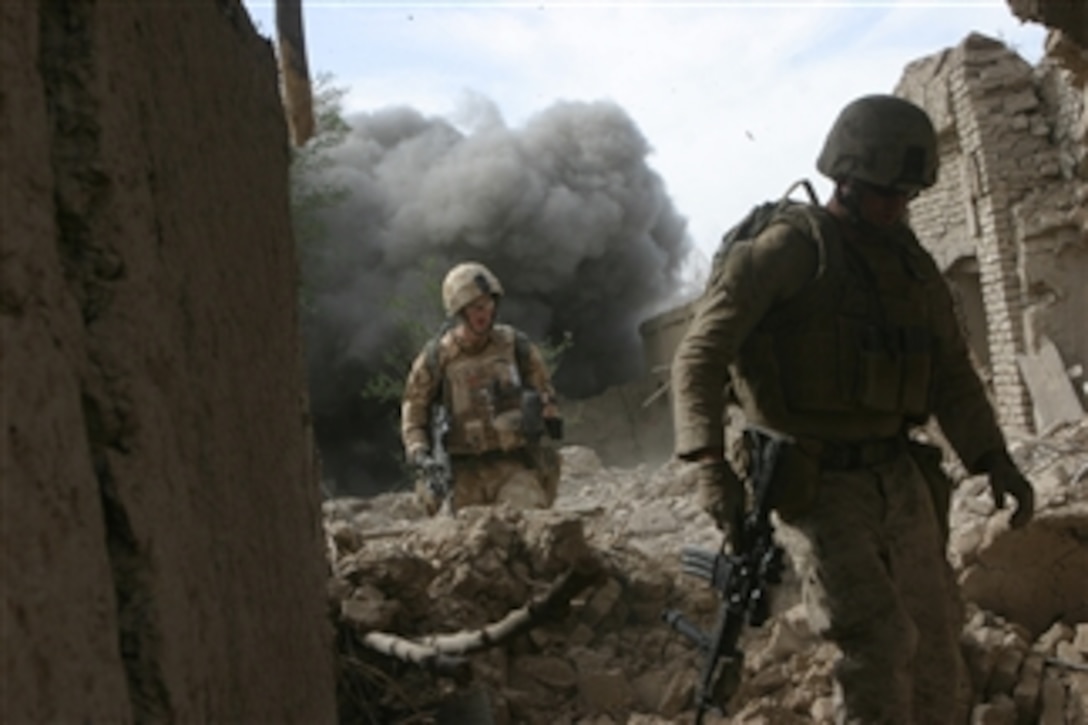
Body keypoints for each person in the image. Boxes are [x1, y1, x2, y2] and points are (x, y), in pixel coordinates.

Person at [671, 94, 1035, 724]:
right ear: (846, 177)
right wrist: (709, 467)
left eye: (907, 195)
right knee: (876, 643)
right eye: (883, 193)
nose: (897, 207)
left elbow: (951, 369)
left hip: (900, 474)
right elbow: (698, 357)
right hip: (817, 481)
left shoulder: (908, 261)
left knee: (935, 637)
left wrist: (993, 458)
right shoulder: (792, 248)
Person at [401, 261, 563, 514]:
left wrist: (547, 412)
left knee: (530, 523)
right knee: (465, 541)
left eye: (489, 305)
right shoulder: (437, 358)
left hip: (511, 465)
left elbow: (543, 388)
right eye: (477, 307)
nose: (484, 313)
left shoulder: (514, 346)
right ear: (460, 310)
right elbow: (414, 411)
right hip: (462, 474)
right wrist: (420, 455)